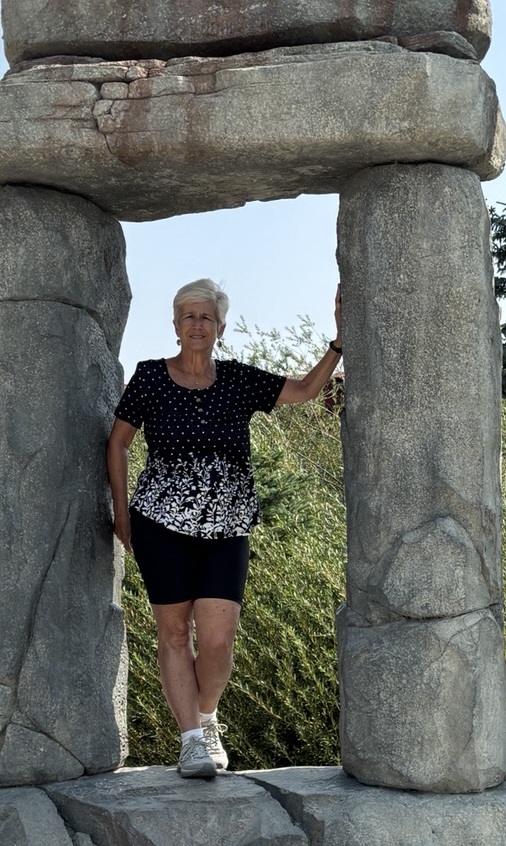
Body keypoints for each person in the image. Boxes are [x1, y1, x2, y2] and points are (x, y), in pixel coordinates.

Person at [106, 278, 342, 779]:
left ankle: (207, 717)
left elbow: (304, 390)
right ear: (176, 325)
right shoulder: (150, 377)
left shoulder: (236, 380)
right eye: (189, 316)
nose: (197, 324)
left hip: (228, 527)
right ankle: (191, 742)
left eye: (207, 317)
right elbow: (119, 443)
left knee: (218, 640)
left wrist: (338, 344)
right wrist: (122, 513)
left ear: (220, 327)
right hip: (159, 524)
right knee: (174, 633)